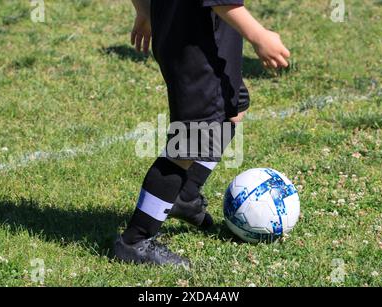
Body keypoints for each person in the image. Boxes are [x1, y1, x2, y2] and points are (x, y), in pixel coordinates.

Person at [113, 0, 290, 267]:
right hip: (196, 45)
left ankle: (184, 196)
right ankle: (135, 240)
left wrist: (145, 9)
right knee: (189, 144)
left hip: (205, 37)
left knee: (234, 108)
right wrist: (258, 35)